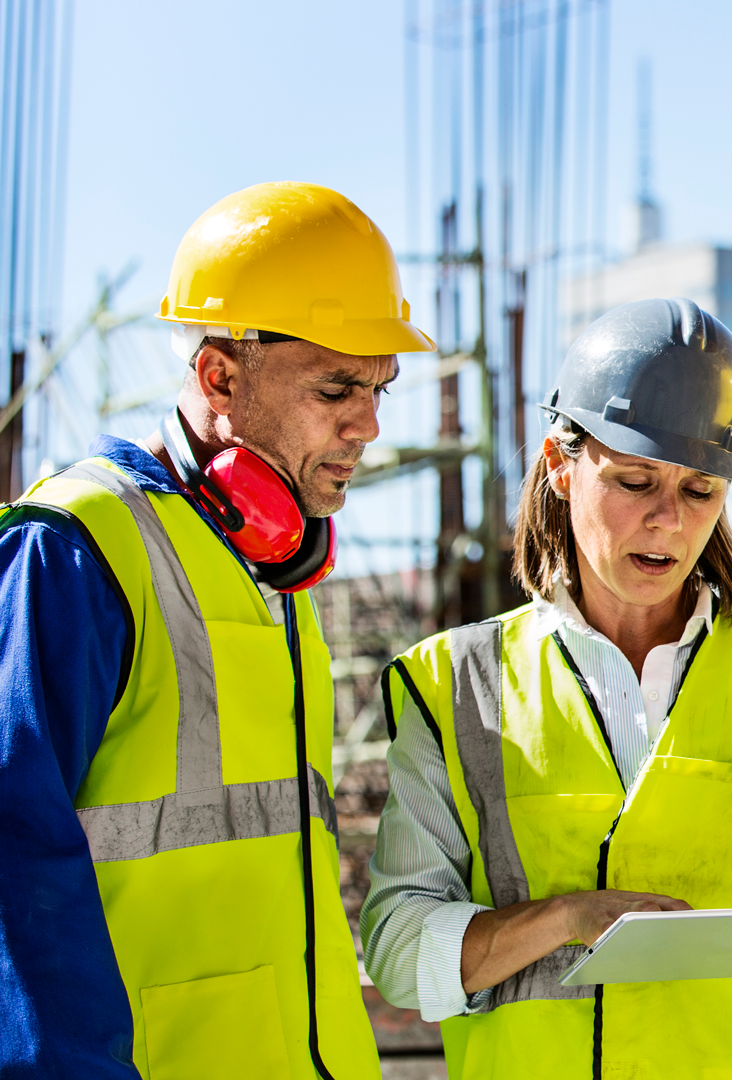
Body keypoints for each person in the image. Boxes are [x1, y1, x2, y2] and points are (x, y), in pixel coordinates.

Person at [360, 298, 732, 1079]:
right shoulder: (454, 688)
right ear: (560, 466)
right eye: (635, 481)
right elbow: (401, 956)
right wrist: (567, 918)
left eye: (701, 491)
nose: (668, 522)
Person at [0, 182, 429, 1077]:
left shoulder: (270, 571)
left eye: (381, 387)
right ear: (219, 375)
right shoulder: (79, 550)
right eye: (337, 386)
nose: (370, 424)